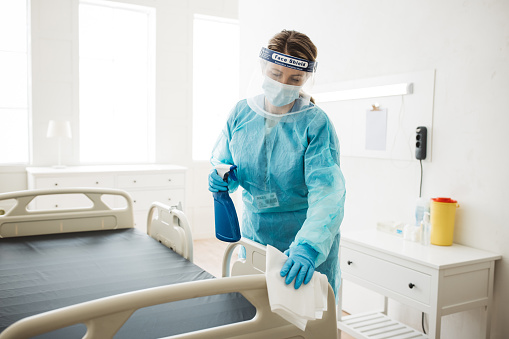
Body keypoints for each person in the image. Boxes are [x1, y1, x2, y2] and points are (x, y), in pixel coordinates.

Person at [209, 29, 346, 298]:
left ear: (306, 79)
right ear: (262, 67)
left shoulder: (315, 123)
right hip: (255, 235)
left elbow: (328, 194)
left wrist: (308, 247)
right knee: (254, 315)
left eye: (294, 79)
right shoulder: (240, 114)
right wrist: (222, 176)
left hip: (303, 244)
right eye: (275, 75)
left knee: (308, 326)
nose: (283, 84)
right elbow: (224, 160)